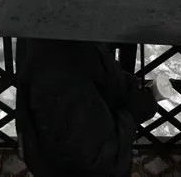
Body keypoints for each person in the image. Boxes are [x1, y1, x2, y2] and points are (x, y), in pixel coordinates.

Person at [15, 38, 158, 177]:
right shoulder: (62, 77)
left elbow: (93, 67)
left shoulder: (59, 33)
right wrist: (132, 115)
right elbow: (97, 160)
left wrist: (123, 83)